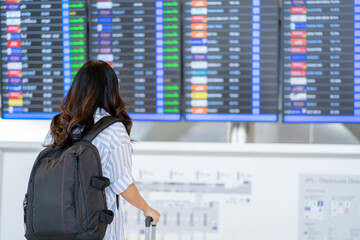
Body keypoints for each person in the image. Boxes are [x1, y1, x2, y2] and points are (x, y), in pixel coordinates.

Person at [43, 60, 160, 240]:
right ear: (111, 90)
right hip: (95, 231)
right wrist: (146, 209)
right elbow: (121, 182)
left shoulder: (61, 125)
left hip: (55, 228)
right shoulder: (113, 130)